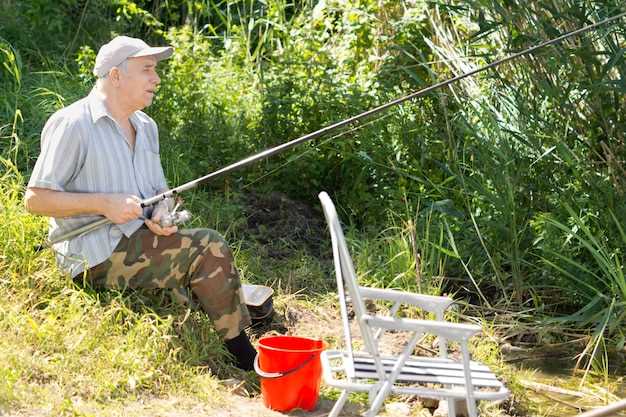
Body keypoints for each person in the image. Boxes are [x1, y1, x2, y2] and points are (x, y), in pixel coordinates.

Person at [24, 36, 257, 371]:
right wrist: (105, 203)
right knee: (210, 247)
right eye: (147, 69)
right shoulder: (73, 123)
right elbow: (36, 200)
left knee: (195, 256)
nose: (156, 79)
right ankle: (245, 358)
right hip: (93, 256)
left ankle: (242, 326)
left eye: (155, 70)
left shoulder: (147, 127)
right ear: (115, 76)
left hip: (140, 241)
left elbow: (162, 193)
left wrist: (163, 213)